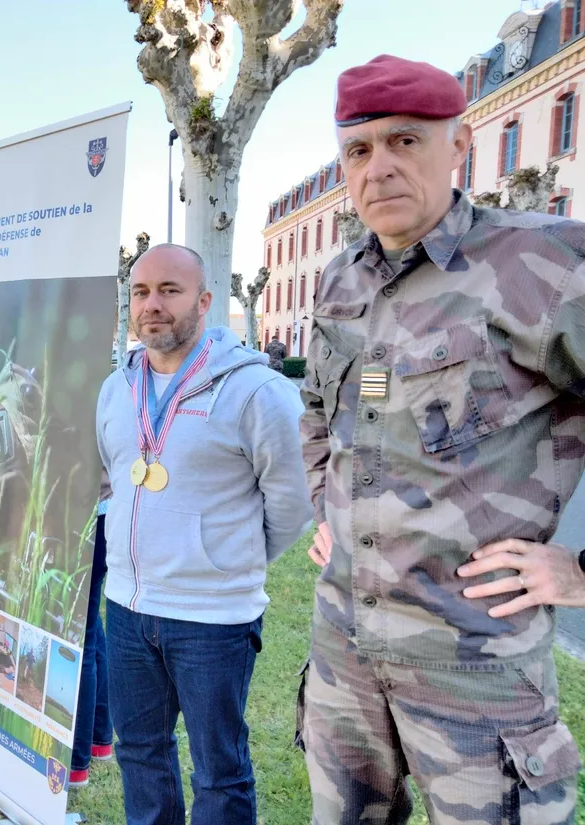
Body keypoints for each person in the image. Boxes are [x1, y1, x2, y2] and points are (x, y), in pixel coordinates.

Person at [299, 54, 585, 825]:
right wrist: (331, 506)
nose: (379, 167)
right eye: (359, 149)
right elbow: (318, 410)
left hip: (475, 671)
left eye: (405, 141)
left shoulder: (547, 264)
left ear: (458, 146)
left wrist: (582, 570)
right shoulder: (340, 280)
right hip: (345, 656)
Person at [96, 243, 312, 824]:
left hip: (213, 617)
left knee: (218, 771)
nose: (152, 305)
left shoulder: (256, 391)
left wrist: (225, 557)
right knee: (139, 751)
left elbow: (293, 499)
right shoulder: (117, 389)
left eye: (170, 290)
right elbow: (113, 479)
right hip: (127, 608)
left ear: (205, 301)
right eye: (141, 292)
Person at [68, 470, 114, 790]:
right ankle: (99, 739)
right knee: (90, 626)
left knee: (78, 631)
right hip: (103, 508)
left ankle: (75, 761)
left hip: (84, 511)